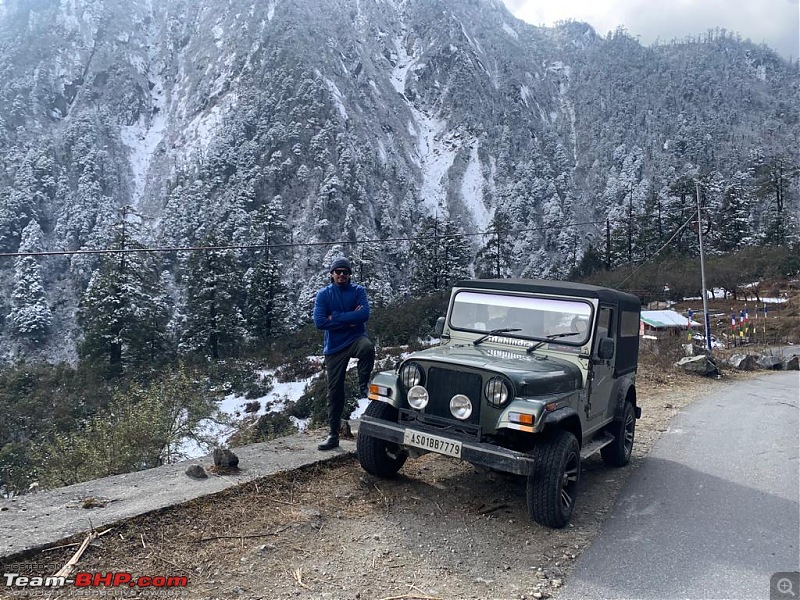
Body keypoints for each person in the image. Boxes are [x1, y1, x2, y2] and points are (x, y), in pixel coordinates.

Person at [312, 257, 375, 451]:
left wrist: (337, 316)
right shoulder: (324, 295)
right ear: (332, 274)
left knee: (367, 348)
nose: (341, 274)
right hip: (335, 347)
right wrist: (349, 319)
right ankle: (333, 435)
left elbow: (364, 315)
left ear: (349, 275)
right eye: (338, 271)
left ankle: (364, 385)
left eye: (345, 272)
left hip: (356, 339)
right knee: (335, 391)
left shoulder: (358, 291)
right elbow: (320, 322)